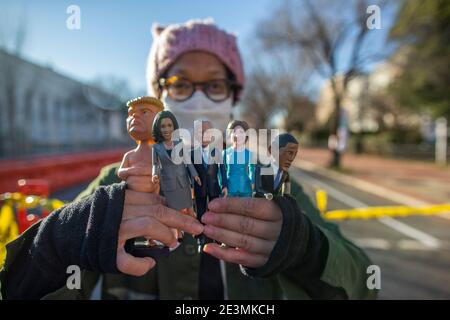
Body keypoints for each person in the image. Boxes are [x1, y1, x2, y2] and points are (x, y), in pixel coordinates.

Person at [0, 19, 377, 300]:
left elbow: (365, 283)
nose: (198, 98)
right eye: (180, 84)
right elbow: (17, 288)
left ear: (233, 96)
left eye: (215, 84)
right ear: (158, 96)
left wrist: (305, 248)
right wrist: (67, 236)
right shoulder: (118, 185)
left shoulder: (270, 181)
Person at [191, 120, 227, 249]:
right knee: (200, 213)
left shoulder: (217, 152)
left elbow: (223, 170)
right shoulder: (192, 153)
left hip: (213, 187)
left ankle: (217, 237)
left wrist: (225, 185)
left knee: (215, 213)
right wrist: (190, 186)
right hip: (199, 189)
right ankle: (201, 238)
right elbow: (189, 171)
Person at [254, 133, 299, 199]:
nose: (292, 158)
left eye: (295, 154)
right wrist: (267, 195)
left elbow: (286, 194)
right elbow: (258, 189)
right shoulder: (260, 171)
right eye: (289, 153)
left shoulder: (285, 174)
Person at [222, 120, 255, 198]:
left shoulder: (250, 153)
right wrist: (223, 185)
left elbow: (252, 169)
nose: (238, 135)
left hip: (245, 188)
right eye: (235, 132)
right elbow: (222, 171)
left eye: (241, 132)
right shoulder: (225, 153)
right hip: (229, 189)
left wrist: (252, 182)